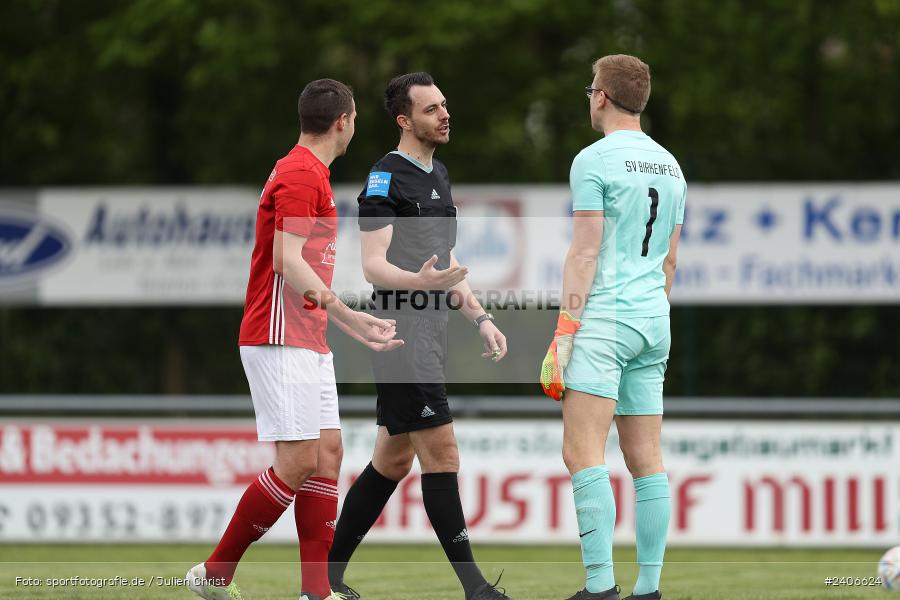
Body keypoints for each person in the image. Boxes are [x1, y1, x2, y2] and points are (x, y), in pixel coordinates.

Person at [187, 78, 402, 600]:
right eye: (355, 119)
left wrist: (342, 324)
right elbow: (287, 261)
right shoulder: (303, 173)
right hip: (279, 333)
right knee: (301, 459)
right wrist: (350, 316)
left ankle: (316, 592)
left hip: (305, 334)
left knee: (327, 453)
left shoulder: (307, 171)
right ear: (343, 122)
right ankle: (213, 575)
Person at [326, 72, 512, 600]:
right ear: (404, 120)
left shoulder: (440, 174)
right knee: (443, 453)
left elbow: (445, 263)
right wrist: (420, 284)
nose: (445, 115)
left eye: (444, 105)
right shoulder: (384, 177)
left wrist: (481, 317)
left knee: (391, 460)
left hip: (432, 330)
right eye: (431, 109)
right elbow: (373, 266)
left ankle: (326, 576)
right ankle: (476, 589)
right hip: (401, 333)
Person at [540, 55, 686, 600]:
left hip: (605, 319)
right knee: (647, 460)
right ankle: (648, 589)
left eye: (590, 91)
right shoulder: (671, 165)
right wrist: (652, 314)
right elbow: (670, 261)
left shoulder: (594, 159)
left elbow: (585, 253)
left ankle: (600, 587)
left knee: (583, 453)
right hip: (654, 319)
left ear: (600, 96)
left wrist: (565, 331)